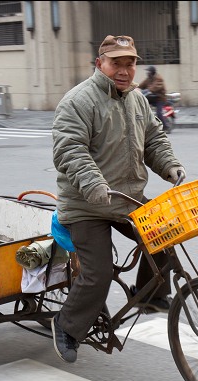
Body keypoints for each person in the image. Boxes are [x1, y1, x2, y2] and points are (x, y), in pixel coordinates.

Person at [51, 35, 186, 363]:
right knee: (97, 274)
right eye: (117, 63)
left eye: (130, 63)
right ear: (100, 64)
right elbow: (69, 148)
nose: (125, 70)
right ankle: (66, 326)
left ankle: (148, 296)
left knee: (167, 235)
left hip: (127, 199)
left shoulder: (138, 99)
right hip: (87, 205)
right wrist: (92, 183)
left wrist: (169, 165)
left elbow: (154, 138)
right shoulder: (79, 100)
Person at [138, 65, 169, 131]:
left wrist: (147, 90)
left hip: (159, 98)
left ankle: (165, 127)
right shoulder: (149, 78)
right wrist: (135, 88)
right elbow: (142, 85)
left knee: (159, 112)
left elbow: (155, 87)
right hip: (152, 97)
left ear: (152, 72)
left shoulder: (158, 78)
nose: (147, 73)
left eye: (148, 71)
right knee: (143, 104)